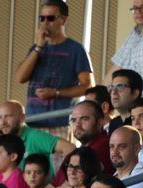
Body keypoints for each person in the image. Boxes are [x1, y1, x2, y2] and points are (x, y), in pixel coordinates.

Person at [14, 0, 95, 134]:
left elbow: (88, 86)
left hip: (59, 124)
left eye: (50, 18)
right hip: (32, 123)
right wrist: (38, 47)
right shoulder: (36, 49)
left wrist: (57, 93)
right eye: (42, 18)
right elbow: (20, 78)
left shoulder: (76, 49)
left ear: (63, 20)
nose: (45, 23)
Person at [52, 100, 114, 187]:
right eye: (73, 120)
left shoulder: (104, 145)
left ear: (100, 123)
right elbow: (53, 185)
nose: (77, 125)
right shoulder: (77, 151)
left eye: (84, 119)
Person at [0, 100, 75, 163]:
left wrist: (61, 179)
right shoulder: (1, 141)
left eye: (8, 116)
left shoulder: (34, 136)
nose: (3, 122)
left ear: (22, 117)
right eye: (0, 117)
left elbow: (69, 148)